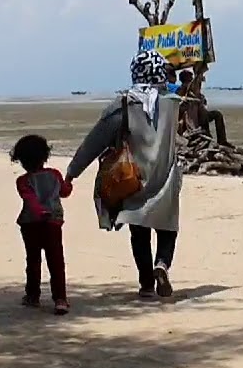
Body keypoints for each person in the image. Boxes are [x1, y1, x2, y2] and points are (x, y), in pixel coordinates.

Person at [65, 51, 183, 299]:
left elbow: (94, 142)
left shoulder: (123, 106)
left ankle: (147, 285)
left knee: (139, 230)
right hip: (166, 175)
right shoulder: (173, 103)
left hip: (133, 176)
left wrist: (72, 172)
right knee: (168, 226)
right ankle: (162, 264)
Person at [11, 134, 73, 315]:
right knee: (56, 261)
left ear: (21, 160)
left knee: (33, 260)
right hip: (53, 222)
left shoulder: (22, 181)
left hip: (30, 223)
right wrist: (69, 182)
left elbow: (29, 198)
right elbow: (65, 192)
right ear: (45, 156)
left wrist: (39, 212)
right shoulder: (54, 175)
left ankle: (32, 296)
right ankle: (60, 298)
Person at [178, 69, 230, 146]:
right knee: (203, 115)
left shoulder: (194, 89)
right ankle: (204, 135)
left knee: (217, 114)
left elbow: (203, 101)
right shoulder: (182, 90)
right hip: (190, 117)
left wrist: (201, 99)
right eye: (190, 78)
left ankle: (222, 140)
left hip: (200, 114)